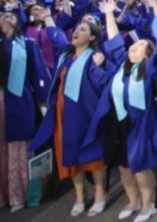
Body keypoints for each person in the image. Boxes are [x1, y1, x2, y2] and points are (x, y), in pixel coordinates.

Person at [86, 0, 157, 222]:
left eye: (140, 46)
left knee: (139, 166)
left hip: (138, 123)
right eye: (134, 44)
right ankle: (133, 200)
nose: (134, 47)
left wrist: (155, 1)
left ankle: (148, 205)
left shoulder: (148, 69)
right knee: (122, 166)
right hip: (116, 121)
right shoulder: (121, 65)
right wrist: (109, 14)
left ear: (147, 54)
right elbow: (115, 38)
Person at [29, 17, 110, 217]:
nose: (76, 31)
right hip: (64, 113)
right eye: (76, 29)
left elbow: (104, 85)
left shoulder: (96, 56)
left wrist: (99, 68)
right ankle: (79, 196)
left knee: (94, 154)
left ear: (92, 37)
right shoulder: (66, 58)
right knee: (70, 154)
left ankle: (100, 193)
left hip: (87, 112)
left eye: (82, 29)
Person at [0, 10, 49, 214]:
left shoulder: (27, 44)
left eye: (11, 16)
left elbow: (38, 72)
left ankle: (20, 195)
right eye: (3, 16)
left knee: (20, 147)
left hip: (19, 98)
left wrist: (43, 102)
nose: (7, 18)